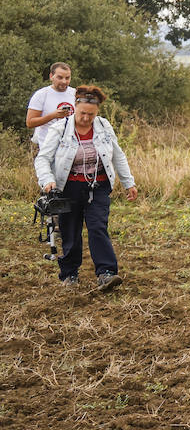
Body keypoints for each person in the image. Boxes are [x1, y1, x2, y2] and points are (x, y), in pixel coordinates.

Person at [34, 85, 137, 289]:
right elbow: (43, 159)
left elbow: (118, 155)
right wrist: (47, 180)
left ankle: (106, 273)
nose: (86, 118)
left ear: (97, 112)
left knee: (98, 227)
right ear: (75, 107)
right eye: (82, 113)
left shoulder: (104, 126)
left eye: (91, 114)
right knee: (70, 231)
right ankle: (69, 275)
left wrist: (128, 182)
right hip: (68, 187)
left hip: (98, 186)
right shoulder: (60, 128)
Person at [26, 62, 76, 152]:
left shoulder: (75, 94)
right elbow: (30, 123)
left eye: (67, 78)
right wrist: (53, 115)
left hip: (71, 147)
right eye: (60, 77)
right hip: (47, 147)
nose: (64, 81)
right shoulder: (41, 95)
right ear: (51, 76)